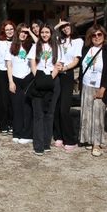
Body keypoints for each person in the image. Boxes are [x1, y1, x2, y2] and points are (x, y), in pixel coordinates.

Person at [78, 25, 107, 157]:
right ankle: (87, 139)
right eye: (93, 35)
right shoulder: (86, 49)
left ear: (104, 36)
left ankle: (97, 143)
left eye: (99, 35)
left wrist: (103, 88)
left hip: (100, 87)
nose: (96, 37)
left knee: (98, 116)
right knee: (86, 114)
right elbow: (82, 67)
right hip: (86, 85)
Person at [29, 24, 61, 156]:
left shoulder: (57, 47)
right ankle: (38, 144)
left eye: (47, 32)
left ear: (51, 33)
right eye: (42, 32)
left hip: (53, 81)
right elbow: (32, 63)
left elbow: (59, 65)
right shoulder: (35, 46)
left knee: (49, 114)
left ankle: (46, 143)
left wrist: (49, 79)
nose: (44, 34)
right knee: (38, 114)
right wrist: (39, 78)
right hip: (38, 81)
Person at [53, 20, 84, 151]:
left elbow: (76, 60)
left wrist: (65, 67)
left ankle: (70, 138)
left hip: (67, 74)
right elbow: (52, 31)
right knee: (56, 106)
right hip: (56, 73)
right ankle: (58, 135)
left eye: (68, 26)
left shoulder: (78, 41)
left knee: (64, 109)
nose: (66, 29)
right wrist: (59, 26)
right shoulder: (59, 40)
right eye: (63, 27)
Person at [6, 23, 35, 144]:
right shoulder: (12, 47)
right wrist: (11, 82)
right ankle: (17, 133)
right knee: (17, 107)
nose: (23, 34)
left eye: (26, 32)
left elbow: (40, 42)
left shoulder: (32, 46)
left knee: (27, 107)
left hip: (28, 79)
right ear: (17, 33)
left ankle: (27, 134)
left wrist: (31, 31)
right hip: (16, 79)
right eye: (21, 32)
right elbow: (9, 65)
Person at [0, 20, 16, 134]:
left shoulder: (18, 42)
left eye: (11, 29)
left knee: (13, 99)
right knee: (3, 100)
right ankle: (3, 125)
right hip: (2, 72)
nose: (9, 31)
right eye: (7, 29)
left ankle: (12, 123)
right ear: (3, 31)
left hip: (14, 73)